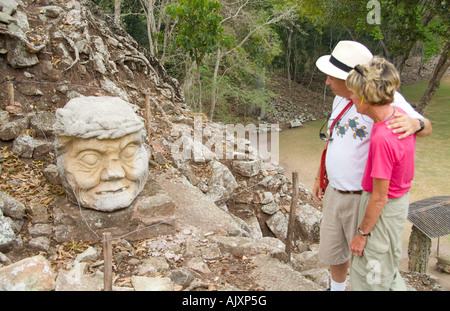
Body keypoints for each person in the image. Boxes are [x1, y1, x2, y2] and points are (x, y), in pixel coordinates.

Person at [312, 41, 431, 291]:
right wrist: (320, 177)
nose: (327, 82)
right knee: (335, 250)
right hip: (336, 190)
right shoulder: (342, 98)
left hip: (363, 196)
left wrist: (416, 124)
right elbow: (334, 140)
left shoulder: (384, 101)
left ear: (352, 80)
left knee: (369, 263)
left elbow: (424, 126)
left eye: (332, 77)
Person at [347, 56, 414, 290]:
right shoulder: (399, 118)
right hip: (395, 208)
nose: (351, 98)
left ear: (365, 95)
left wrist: (362, 234)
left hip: (382, 212)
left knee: (371, 276)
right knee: (387, 272)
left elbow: (379, 197)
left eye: (353, 93)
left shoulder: (382, 137)